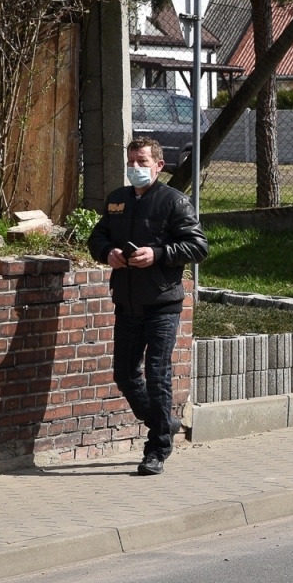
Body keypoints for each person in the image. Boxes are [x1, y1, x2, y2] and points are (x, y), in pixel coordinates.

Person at [88, 137, 209, 474]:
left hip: (161, 304)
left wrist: (157, 254)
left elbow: (197, 246)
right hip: (126, 302)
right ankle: (163, 422)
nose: (135, 168)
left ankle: (157, 448)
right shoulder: (116, 201)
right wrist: (106, 252)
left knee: (157, 375)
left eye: (142, 162)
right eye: (131, 162)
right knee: (124, 375)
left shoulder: (174, 202)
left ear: (159, 165)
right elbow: (97, 238)